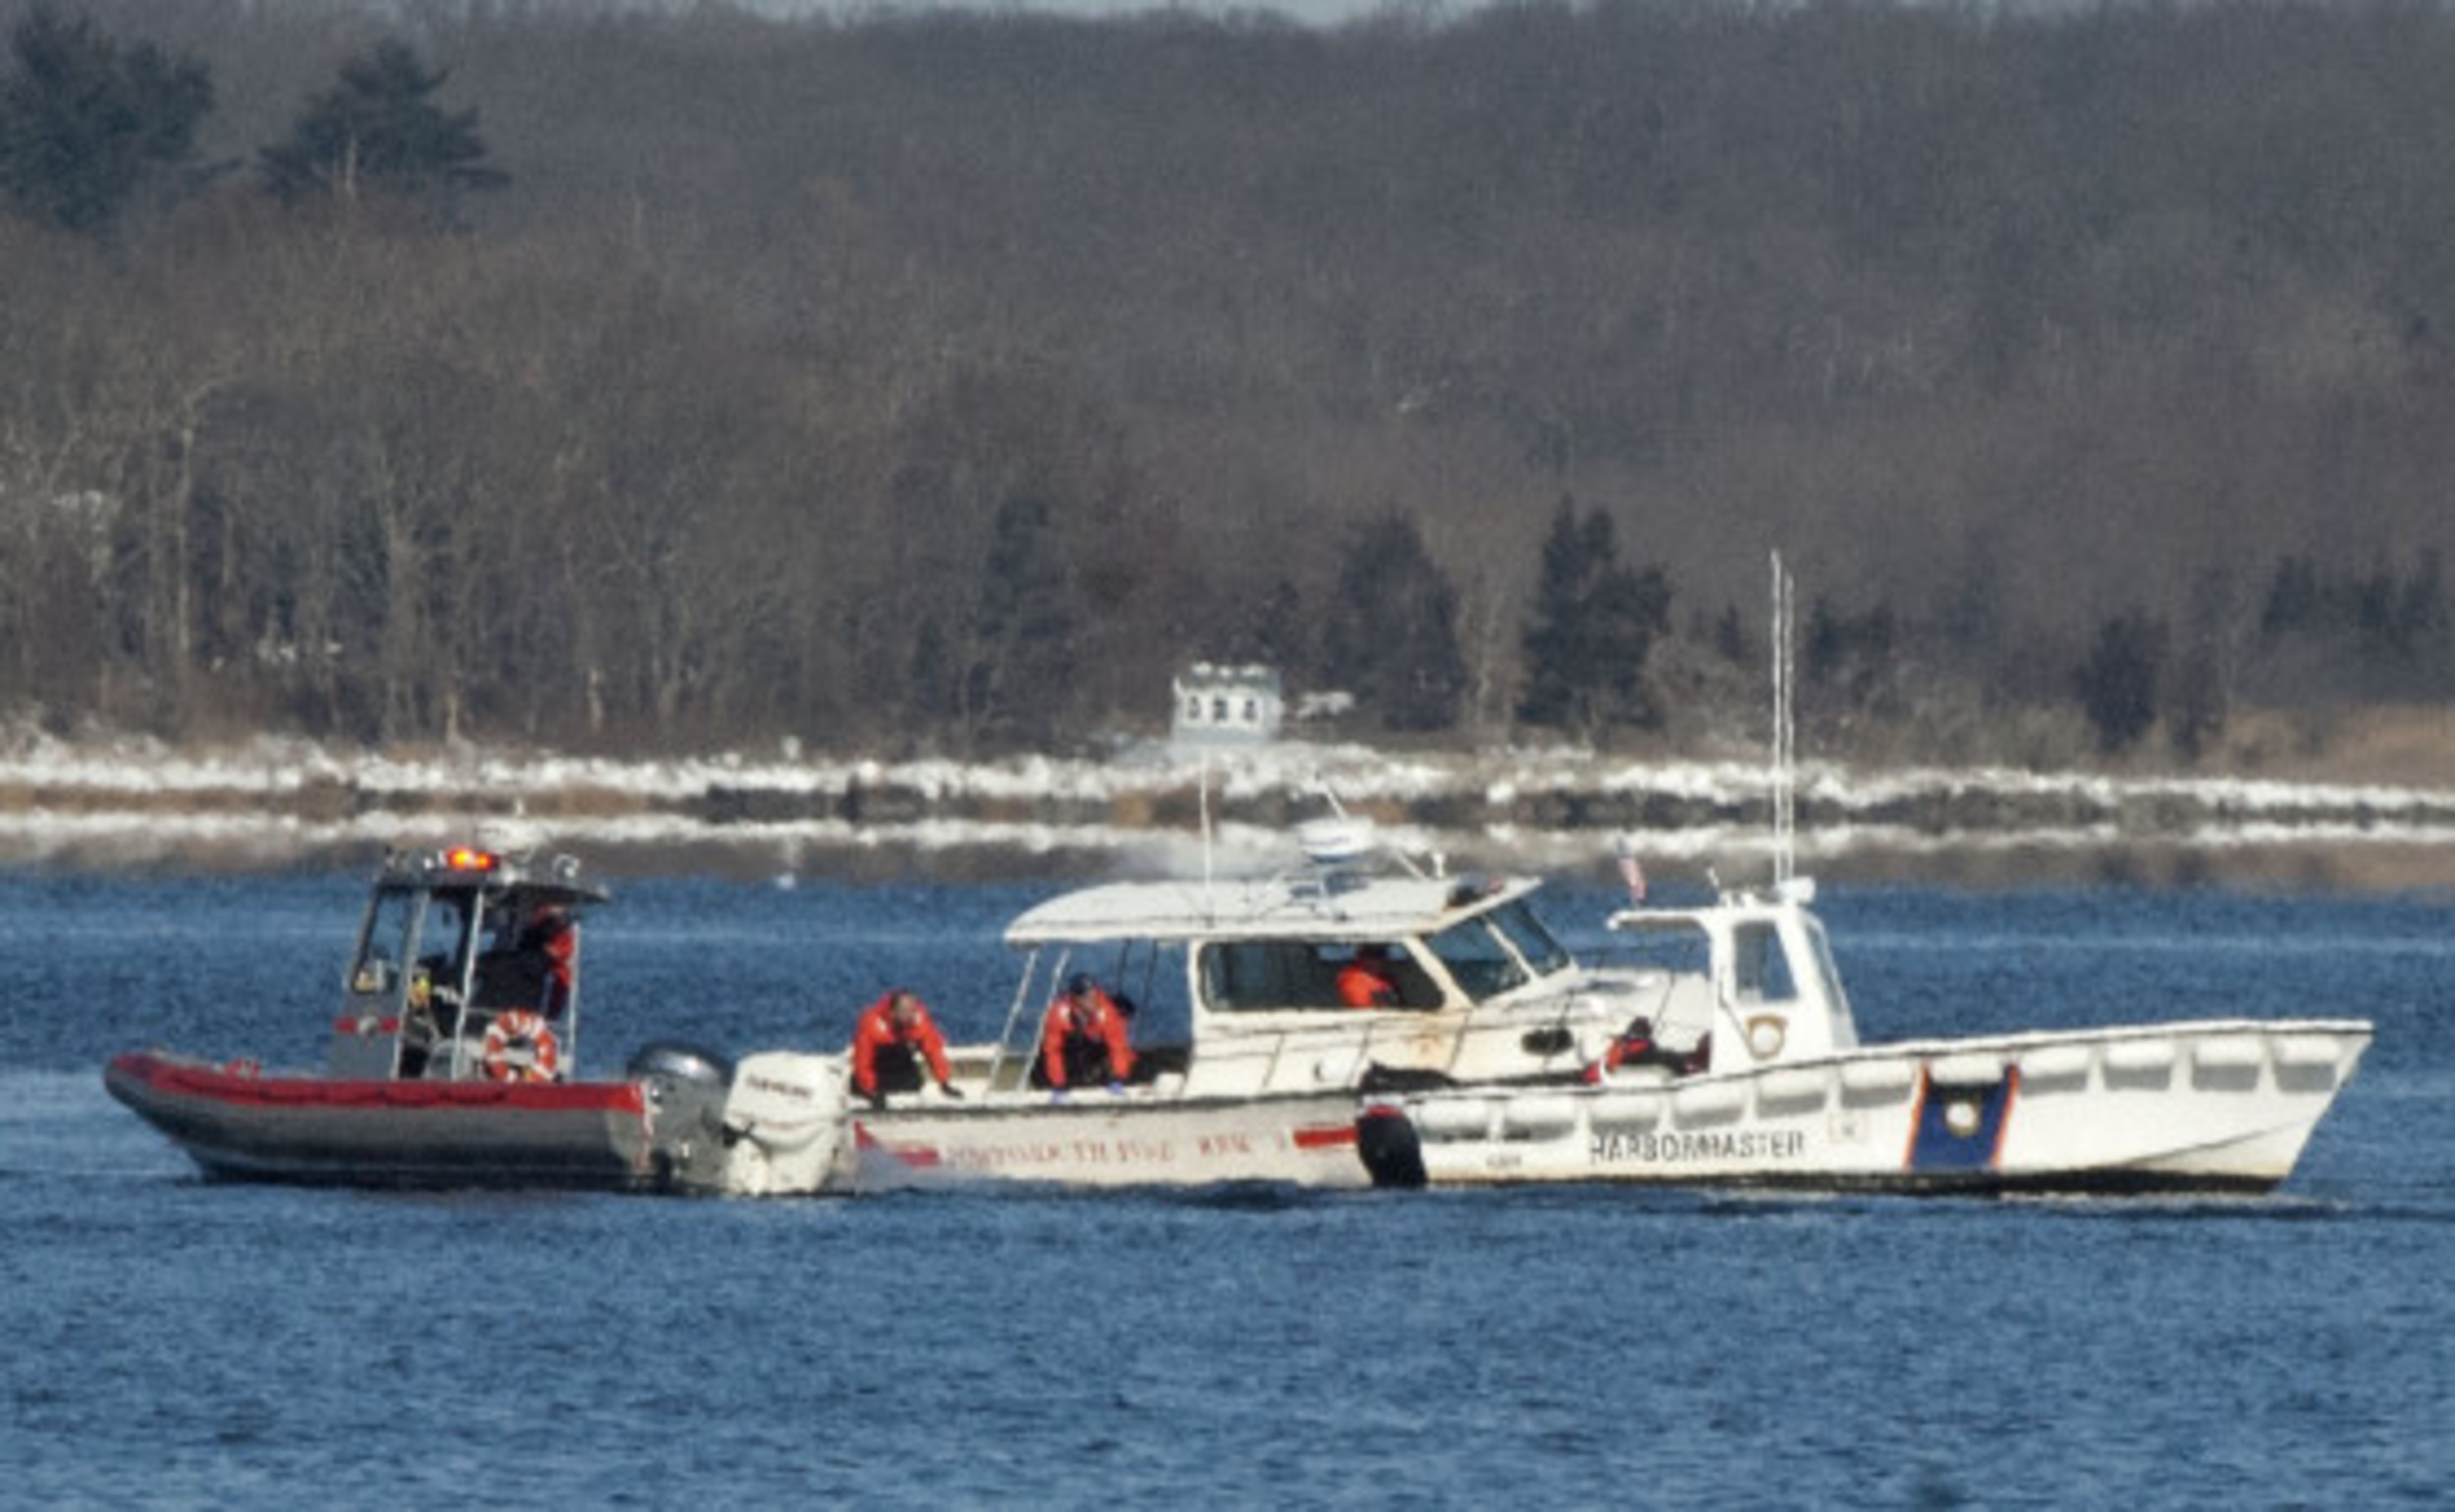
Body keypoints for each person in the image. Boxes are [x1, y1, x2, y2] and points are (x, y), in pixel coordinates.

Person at [849, 989, 962, 1107]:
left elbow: (934, 1051)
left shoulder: (919, 1022)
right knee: (860, 1084)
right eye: (904, 1011)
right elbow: (863, 1061)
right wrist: (870, 1091)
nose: (909, 1015)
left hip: (901, 1069)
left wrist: (944, 1083)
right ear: (892, 1012)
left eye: (911, 1011)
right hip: (877, 1070)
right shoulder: (871, 1023)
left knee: (915, 1081)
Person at [1035, 972, 1136, 1092]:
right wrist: (1058, 1082)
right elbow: (1052, 1050)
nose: (1091, 1001)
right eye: (1086, 997)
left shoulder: (1107, 1012)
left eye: (1093, 994)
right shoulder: (1059, 1014)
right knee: (1048, 1062)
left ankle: (1113, 1080)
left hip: (1096, 1050)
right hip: (1071, 1050)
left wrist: (1119, 1077)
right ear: (1075, 998)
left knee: (1121, 1060)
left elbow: (1118, 1048)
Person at [1583, 1014, 1687, 1084]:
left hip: (1626, 1066)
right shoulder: (1627, 1046)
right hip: (1612, 1076)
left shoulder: (1626, 1044)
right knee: (1671, 1057)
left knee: (1672, 1056)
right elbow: (1610, 1064)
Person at [1335, 945, 1401, 1009]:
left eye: (1382, 955)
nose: (1381, 961)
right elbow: (1363, 1010)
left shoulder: (1384, 978)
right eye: (1373, 956)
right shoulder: (1350, 979)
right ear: (1362, 958)